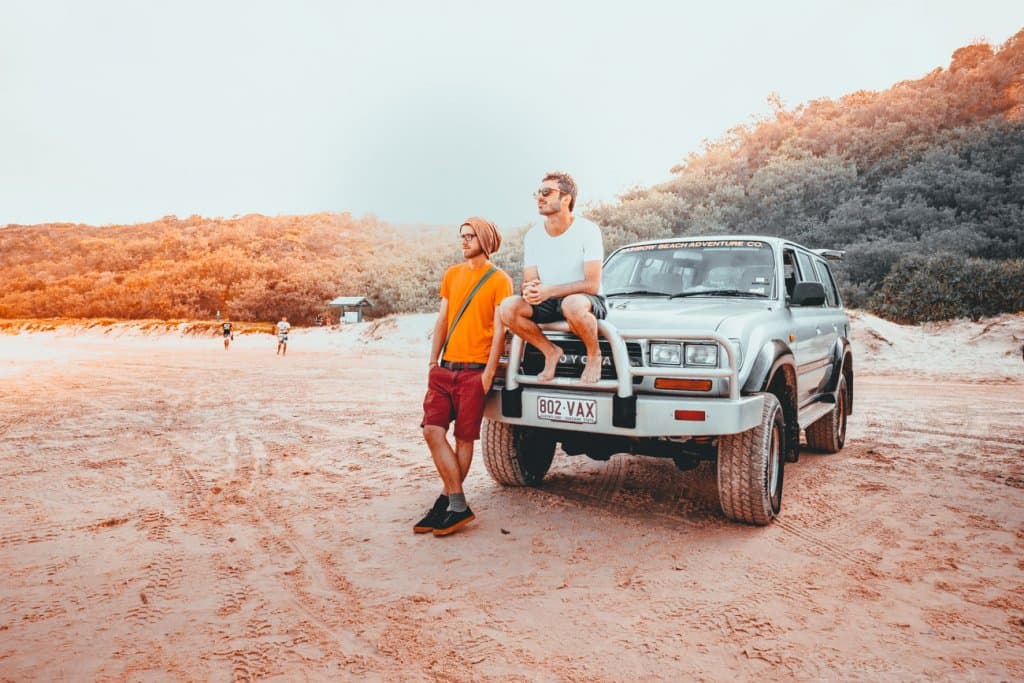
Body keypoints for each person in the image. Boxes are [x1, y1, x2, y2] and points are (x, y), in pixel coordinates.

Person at [415, 217, 513, 537]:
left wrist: (488, 373)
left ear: (485, 240)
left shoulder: (500, 280)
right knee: (432, 431)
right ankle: (456, 503)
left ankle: (448, 503)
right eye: (462, 236)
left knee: (464, 438)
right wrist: (433, 361)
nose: (464, 241)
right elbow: (443, 320)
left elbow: (499, 331)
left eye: (471, 236)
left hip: (475, 372)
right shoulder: (452, 274)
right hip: (445, 368)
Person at [499, 171, 607, 383]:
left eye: (547, 192)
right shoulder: (533, 235)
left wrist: (550, 291)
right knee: (508, 307)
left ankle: (594, 355)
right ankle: (550, 351)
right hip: (548, 300)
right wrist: (529, 291)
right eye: (538, 193)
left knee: (572, 305)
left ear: (566, 198)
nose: (540, 197)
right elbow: (530, 280)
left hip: (584, 299)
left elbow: (592, 285)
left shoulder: (588, 230)